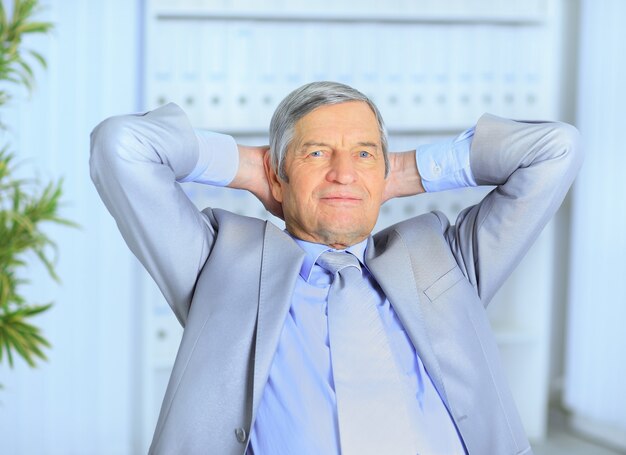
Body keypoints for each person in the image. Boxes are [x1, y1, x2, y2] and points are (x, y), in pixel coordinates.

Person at [90, 81, 582, 455]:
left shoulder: (446, 256)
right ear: (278, 175)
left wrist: (399, 172)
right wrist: (254, 169)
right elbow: (121, 146)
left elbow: (555, 150)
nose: (343, 173)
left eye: (364, 153)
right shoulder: (220, 261)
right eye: (317, 152)